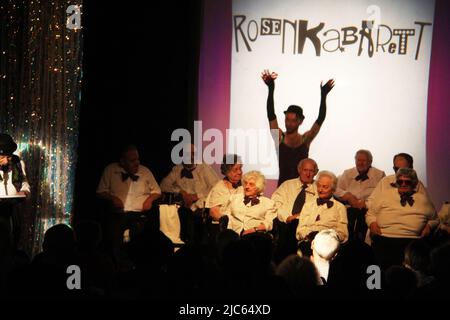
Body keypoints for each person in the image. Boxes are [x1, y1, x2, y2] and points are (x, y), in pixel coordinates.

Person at [261, 69, 335, 186]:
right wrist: (271, 88)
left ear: (300, 121)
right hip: (283, 189)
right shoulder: (280, 137)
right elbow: (271, 115)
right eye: (287, 120)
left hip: (303, 188)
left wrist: (324, 95)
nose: (289, 123)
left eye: (293, 121)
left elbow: (320, 119)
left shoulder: (306, 139)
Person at [96, 145, 161, 265]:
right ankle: (117, 265)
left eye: (138, 159)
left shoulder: (145, 171)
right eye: (132, 161)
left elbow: (157, 191)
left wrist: (149, 200)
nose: (137, 163)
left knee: (139, 237)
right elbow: (100, 192)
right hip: (118, 214)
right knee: (114, 238)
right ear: (122, 162)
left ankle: (137, 265)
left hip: (138, 215)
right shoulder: (111, 170)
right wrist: (113, 198)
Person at [366, 168, 438, 270]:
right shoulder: (384, 195)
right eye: (400, 181)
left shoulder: (423, 199)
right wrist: (372, 223)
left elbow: (435, 219)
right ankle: (376, 285)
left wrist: (429, 226)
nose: (403, 184)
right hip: (384, 238)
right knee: (376, 268)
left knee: (409, 271)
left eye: (407, 182)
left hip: (412, 242)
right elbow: (370, 214)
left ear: (414, 183)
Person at [160, 144, 219, 243]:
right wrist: (181, 192)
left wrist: (196, 196)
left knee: (197, 219)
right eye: (188, 154)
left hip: (200, 206)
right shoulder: (177, 169)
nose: (191, 157)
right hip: (183, 207)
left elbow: (216, 186)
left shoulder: (204, 168)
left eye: (193, 154)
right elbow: (163, 185)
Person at [271, 158, 319, 263]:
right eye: (305, 170)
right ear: (299, 170)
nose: (308, 174)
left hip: (308, 226)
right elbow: (275, 204)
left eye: (311, 171)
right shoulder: (287, 185)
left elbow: (320, 209)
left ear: (315, 172)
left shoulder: (319, 189)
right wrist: (287, 217)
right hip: (286, 224)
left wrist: (300, 216)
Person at [335, 149, 385, 241]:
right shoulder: (347, 173)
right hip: (349, 209)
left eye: (364, 160)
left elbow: (382, 195)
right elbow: (336, 189)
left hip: (368, 209)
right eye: (358, 160)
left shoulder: (379, 174)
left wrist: (366, 203)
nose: (360, 163)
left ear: (370, 162)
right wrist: (348, 196)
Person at [296, 170, 348, 256]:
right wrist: (308, 235)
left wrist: (324, 236)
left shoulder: (340, 207)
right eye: (319, 186)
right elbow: (299, 230)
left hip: (329, 245)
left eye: (325, 187)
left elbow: (343, 235)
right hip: (308, 243)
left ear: (333, 189)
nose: (320, 189)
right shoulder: (308, 205)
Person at [0, 133, 30, 249]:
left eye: (9, 157)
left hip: (12, 209)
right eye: (2, 157)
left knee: (10, 240)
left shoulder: (18, 163)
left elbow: (24, 182)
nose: (6, 161)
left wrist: (25, 191)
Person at [223, 171, 277, 236]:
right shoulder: (234, 198)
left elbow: (268, 224)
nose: (246, 187)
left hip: (255, 236)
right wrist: (229, 233)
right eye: (246, 183)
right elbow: (227, 216)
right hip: (234, 236)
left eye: (251, 184)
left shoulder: (269, 203)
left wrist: (254, 230)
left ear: (258, 187)